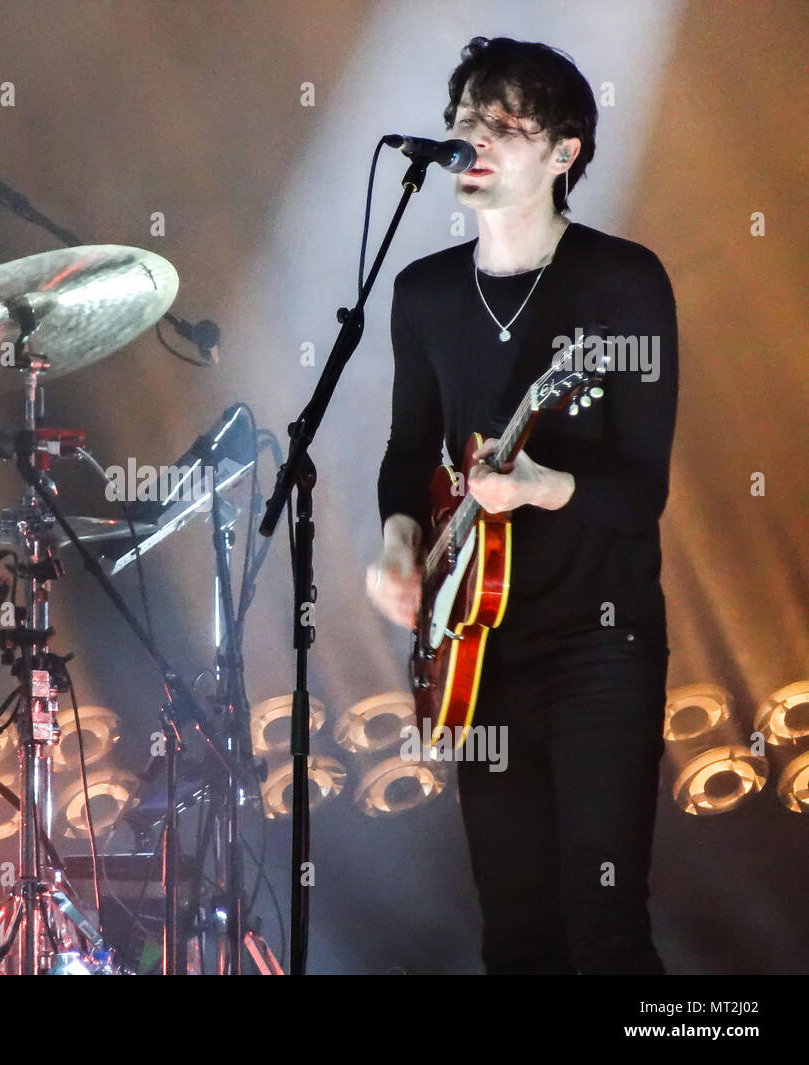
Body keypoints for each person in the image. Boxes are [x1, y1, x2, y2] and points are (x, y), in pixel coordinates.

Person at [366, 37, 678, 974]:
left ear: (564, 152)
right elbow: (406, 452)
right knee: (516, 934)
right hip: (476, 650)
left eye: (505, 123)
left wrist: (545, 487)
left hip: (599, 645)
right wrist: (397, 541)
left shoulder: (622, 283)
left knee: (608, 929)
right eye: (464, 118)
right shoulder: (422, 293)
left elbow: (643, 489)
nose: (473, 139)